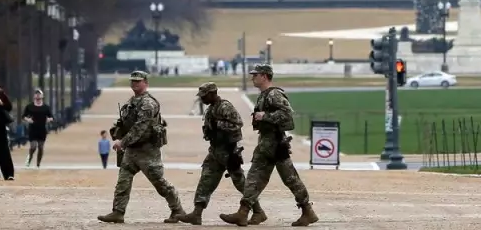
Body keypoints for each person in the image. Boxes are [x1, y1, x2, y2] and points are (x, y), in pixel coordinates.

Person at [220, 64, 317, 227]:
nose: (252, 78)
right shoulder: (264, 95)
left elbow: (288, 117)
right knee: (254, 177)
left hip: (276, 143)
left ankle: (308, 211)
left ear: (264, 76)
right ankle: (243, 213)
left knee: (290, 179)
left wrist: (265, 116)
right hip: (266, 143)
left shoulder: (274, 95)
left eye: (255, 75)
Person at [97, 70, 184, 224]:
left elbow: (140, 127)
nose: (134, 84)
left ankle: (177, 210)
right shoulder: (132, 102)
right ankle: (118, 212)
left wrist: (122, 142)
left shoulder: (148, 104)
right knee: (123, 180)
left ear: (145, 83)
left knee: (159, 182)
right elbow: (127, 123)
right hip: (132, 150)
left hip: (147, 150)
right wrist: (117, 131)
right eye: (132, 81)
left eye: (138, 81)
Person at [177, 83, 267, 225]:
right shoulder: (212, 108)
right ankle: (197, 213)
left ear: (213, 93)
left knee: (240, 182)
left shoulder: (225, 106)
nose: (202, 99)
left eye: (204, 96)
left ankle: (258, 211)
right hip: (215, 151)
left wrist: (217, 124)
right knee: (206, 179)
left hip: (229, 151)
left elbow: (238, 123)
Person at [22, 89, 54, 168]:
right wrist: (28, 119)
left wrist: (49, 119)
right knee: (33, 147)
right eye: (36, 94)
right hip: (33, 129)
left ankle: (38, 163)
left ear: (42, 96)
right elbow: (23, 116)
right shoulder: (30, 106)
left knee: (40, 147)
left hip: (42, 130)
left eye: (39, 94)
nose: (37, 96)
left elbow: (52, 117)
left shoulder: (46, 107)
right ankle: (29, 159)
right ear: (34, 96)